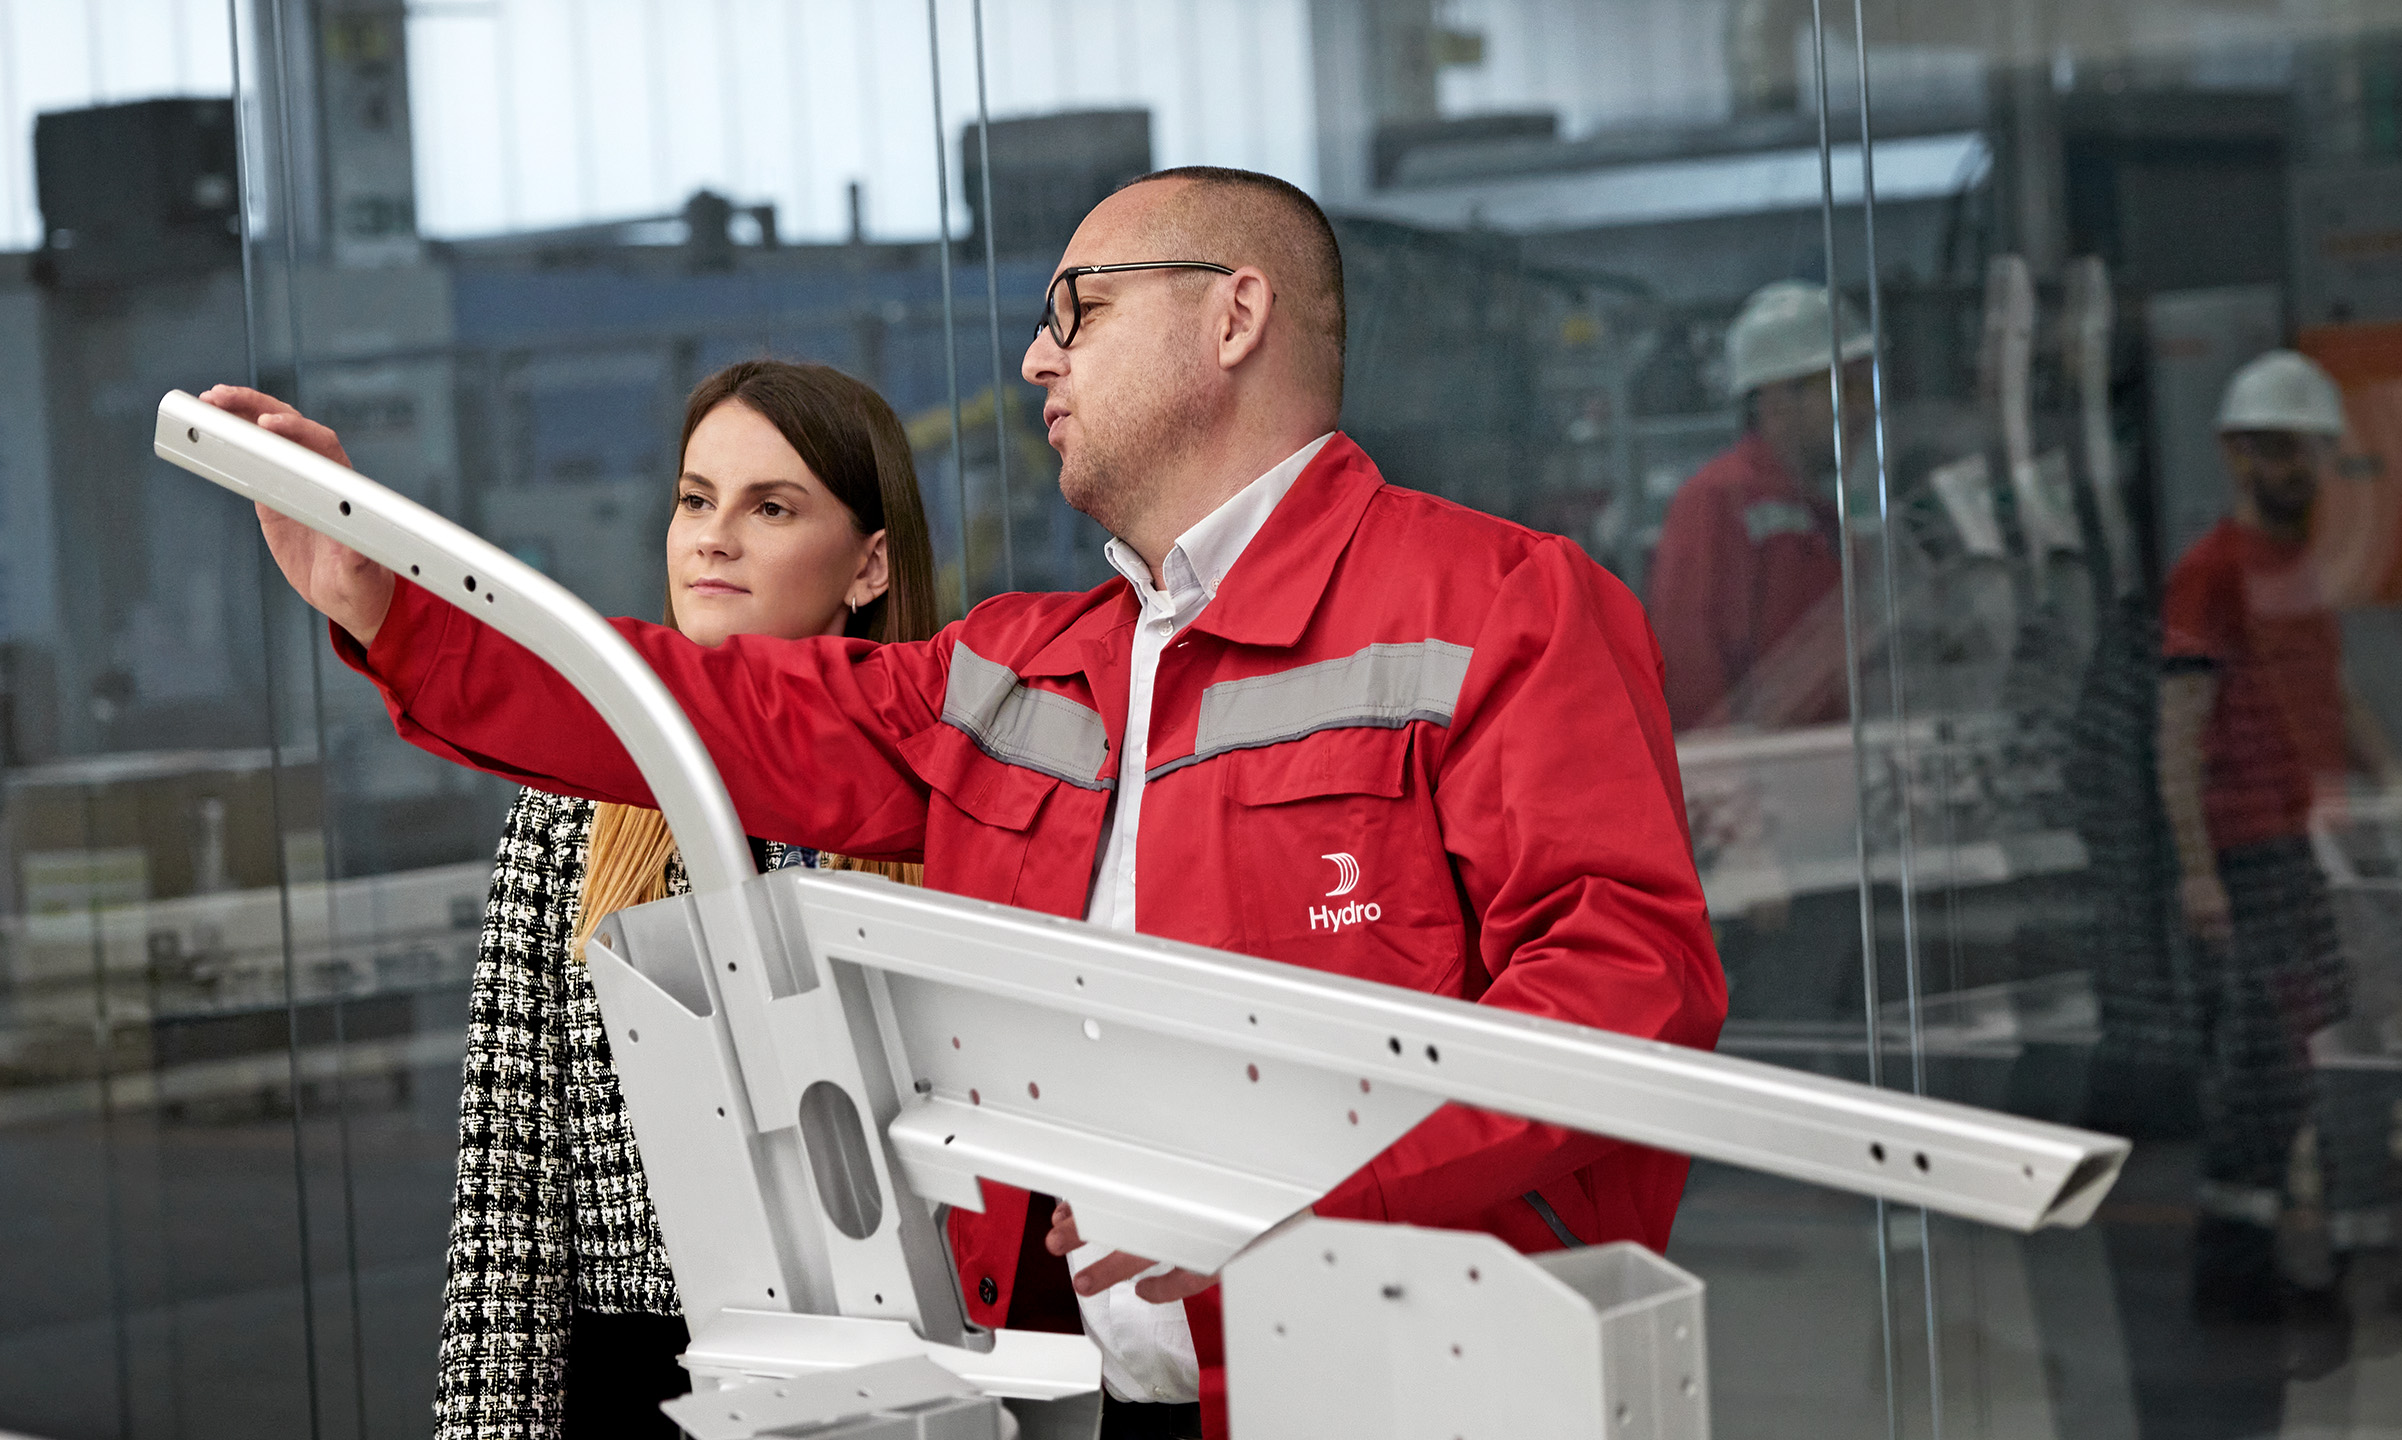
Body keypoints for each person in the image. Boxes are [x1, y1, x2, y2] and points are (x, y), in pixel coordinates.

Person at [228, 166, 1726, 1440]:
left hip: (1395, 1382)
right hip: (1111, 1402)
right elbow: (715, 708)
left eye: (1078, 311)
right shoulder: (1024, 674)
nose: (1034, 361)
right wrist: (399, 602)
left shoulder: (1503, 607)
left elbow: (1624, 989)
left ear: (1234, 315)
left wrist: (1299, 1205)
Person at [207, 361, 941, 1439]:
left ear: (870, 563)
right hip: (633, 1380)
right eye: (695, 499)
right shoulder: (571, 820)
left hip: (895, 1376)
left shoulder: (953, 817)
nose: (712, 538)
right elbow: (510, 1195)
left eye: (769, 507)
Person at [2157, 349, 2400, 1322]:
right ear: (2240, 456)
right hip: (2245, 853)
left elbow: (2326, 694)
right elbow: (2176, 731)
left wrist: (2393, 791)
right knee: (2260, 1063)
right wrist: (2197, 873)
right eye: (2282, 452)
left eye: (2311, 452)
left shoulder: (2297, 566)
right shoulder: (2210, 574)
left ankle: (2294, 1254)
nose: (2301, 471)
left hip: (2302, 849)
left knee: (2313, 1048)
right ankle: (2231, 1272)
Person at [1646, 278, 1874, 733]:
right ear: (1775, 400)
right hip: (1760, 780)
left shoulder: (1815, 511)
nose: (1864, 410)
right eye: (1844, 391)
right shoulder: (1715, 501)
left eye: (1863, 389)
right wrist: (1724, 781)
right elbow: (1688, 664)